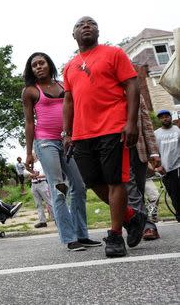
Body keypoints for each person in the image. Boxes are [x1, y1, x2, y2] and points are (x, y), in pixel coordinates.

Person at [63, 16, 147, 257]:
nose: (86, 26)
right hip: (81, 133)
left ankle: (115, 236)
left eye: (91, 23)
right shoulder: (69, 66)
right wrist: (67, 133)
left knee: (114, 181)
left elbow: (133, 86)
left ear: (98, 31)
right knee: (93, 182)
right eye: (80, 24)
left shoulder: (114, 53)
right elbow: (68, 101)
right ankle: (132, 217)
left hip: (113, 127)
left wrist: (131, 123)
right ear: (74, 35)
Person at [23, 51, 101, 251]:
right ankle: (69, 237)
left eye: (42, 63)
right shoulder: (31, 91)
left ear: (49, 64)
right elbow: (30, 122)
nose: (39, 67)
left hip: (68, 140)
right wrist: (29, 152)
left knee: (79, 186)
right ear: (31, 70)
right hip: (45, 142)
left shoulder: (63, 85)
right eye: (35, 65)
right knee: (59, 188)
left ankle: (82, 235)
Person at [125, 99, 161, 240]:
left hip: (139, 150)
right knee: (131, 189)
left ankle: (135, 224)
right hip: (119, 148)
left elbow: (146, 124)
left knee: (138, 189)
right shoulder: (106, 90)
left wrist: (154, 152)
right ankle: (147, 226)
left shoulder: (136, 95)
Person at [154, 109, 180, 222]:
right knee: (173, 194)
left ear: (170, 117)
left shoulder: (178, 129)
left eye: (167, 116)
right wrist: (157, 166)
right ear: (160, 119)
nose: (165, 118)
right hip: (165, 169)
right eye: (162, 117)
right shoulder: (156, 134)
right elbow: (153, 152)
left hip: (178, 166)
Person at [28, 153, 52, 228]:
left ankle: (56, 219)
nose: (31, 156)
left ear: (35, 155)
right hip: (33, 184)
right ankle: (42, 221)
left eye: (32, 154)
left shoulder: (41, 162)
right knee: (38, 204)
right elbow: (28, 176)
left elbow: (47, 174)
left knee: (49, 202)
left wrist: (36, 176)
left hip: (42, 183)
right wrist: (31, 176)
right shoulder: (29, 165)